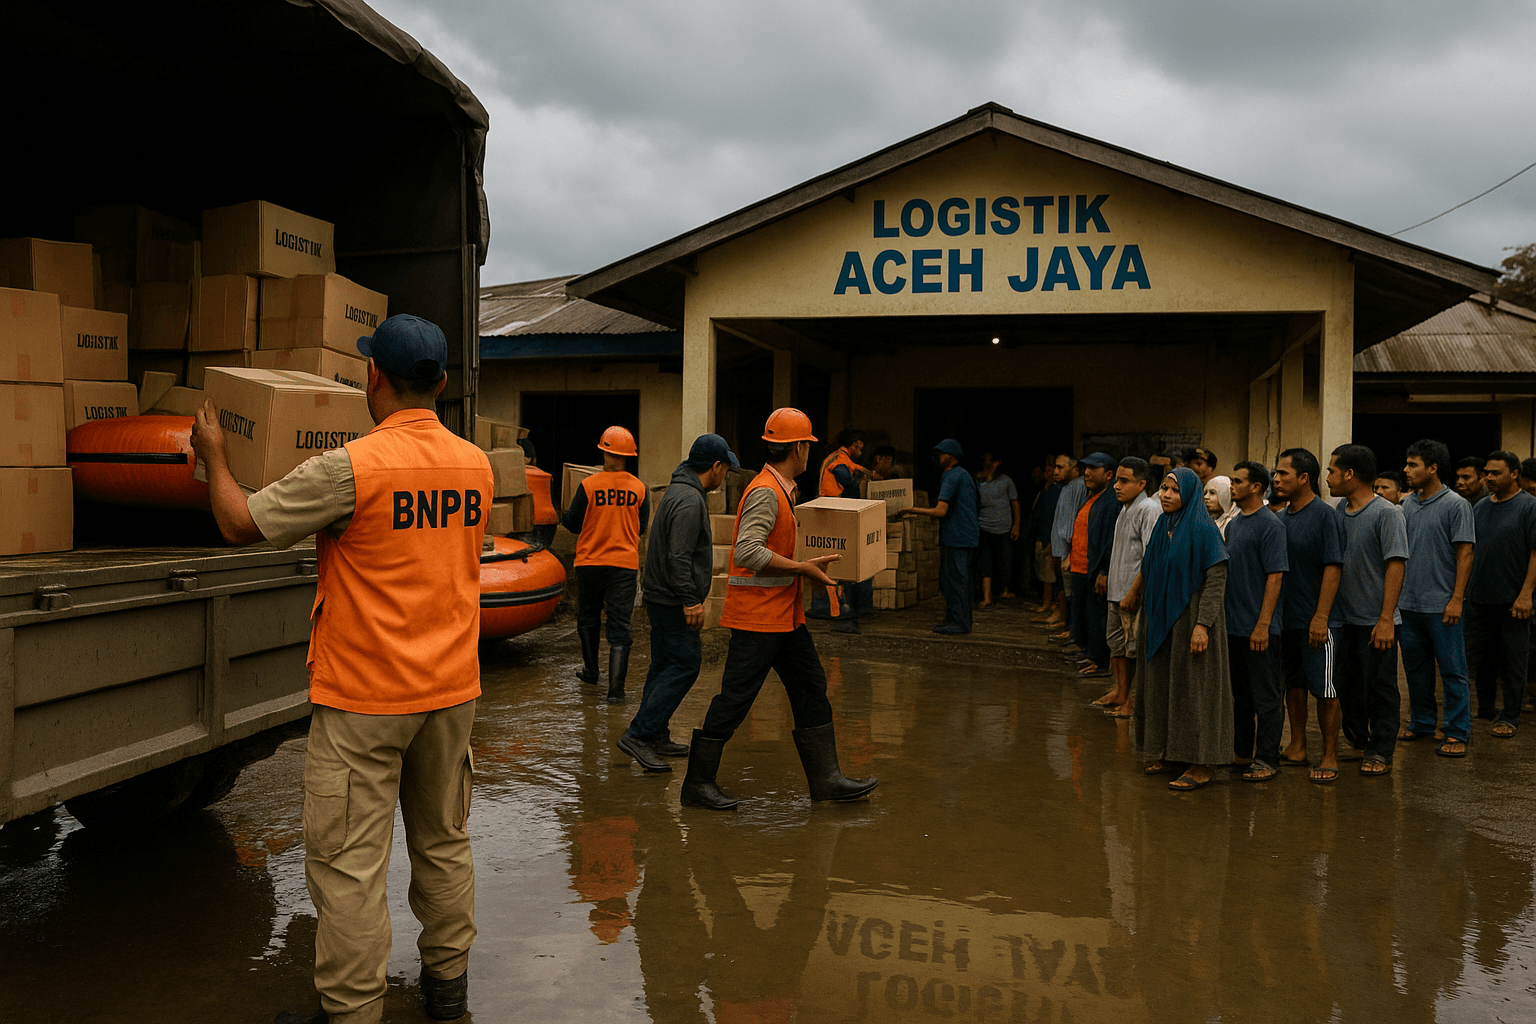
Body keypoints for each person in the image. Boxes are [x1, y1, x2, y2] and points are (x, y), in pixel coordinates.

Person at [191, 314, 492, 1024]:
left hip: (366, 699)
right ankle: (448, 989)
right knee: (444, 843)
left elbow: (239, 524)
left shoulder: (351, 468)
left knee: (350, 864)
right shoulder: (475, 465)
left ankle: (354, 1011)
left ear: (373, 376)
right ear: (441, 384)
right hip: (451, 692)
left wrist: (216, 456)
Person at [681, 408, 877, 810]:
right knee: (735, 700)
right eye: (808, 445)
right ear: (799, 448)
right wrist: (802, 568)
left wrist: (804, 564)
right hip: (758, 620)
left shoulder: (783, 489)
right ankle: (697, 784)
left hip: (784, 618)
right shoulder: (766, 492)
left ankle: (827, 780)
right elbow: (748, 551)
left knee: (812, 688)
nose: (809, 452)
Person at [617, 434, 739, 772]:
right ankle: (640, 734)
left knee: (663, 665)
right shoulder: (689, 500)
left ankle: (656, 733)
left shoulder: (679, 489)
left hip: (661, 596)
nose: (724, 476)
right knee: (686, 663)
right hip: (672, 599)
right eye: (725, 470)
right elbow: (679, 556)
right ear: (716, 467)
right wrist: (690, 600)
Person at [1121, 467, 1232, 791]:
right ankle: (1171, 753)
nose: (1166, 495)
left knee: (1195, 690)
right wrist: (1133, 594)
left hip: (1190, 619)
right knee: (1163, 686)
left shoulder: (1203, 529)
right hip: (1160, 618)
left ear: (1189, 494)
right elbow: (1149, 565)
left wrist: (1203, 625)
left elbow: (1216, 580)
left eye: (1174, 490)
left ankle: (1200, 764)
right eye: (1164, 489)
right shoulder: (1164, 525)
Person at [1326, 444, 1408, 776]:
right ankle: (1360, 741)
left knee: (1380, 688)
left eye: (1332, 470)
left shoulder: (1388, 513)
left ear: (1350, 474)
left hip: (1376, 620)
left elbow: (1396, 565)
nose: (1328, 477)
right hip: (1343, 619)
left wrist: (1386, 618)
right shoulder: (1338, 511)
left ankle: (1381, 750)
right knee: (1347, 686)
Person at [1272, 448, 1347, 784]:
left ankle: (1329, 755)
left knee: (1325, 689)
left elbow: (1333, 567)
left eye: (1283, 474)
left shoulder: (1324, 516)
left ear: (1304, 478)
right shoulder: (1281, 518)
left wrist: (1321, 616)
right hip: (1287, 620)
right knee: (1294, 685)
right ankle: (1297, 745)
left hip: (1318, 621)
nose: (1276, 479)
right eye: (1275, 473)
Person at [1398, 439, 1474, 758]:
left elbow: (1465, 552)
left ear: (1432, 468)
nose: (1406, 470)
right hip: (1409, 605)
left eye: (1413, 464)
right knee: (1416, 671)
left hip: (1442, 605)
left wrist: (1457, 598)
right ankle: (1423, 722)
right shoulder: (1407, 505)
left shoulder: (1456, 505)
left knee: (1453, 671)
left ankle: (1457, 731)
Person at [563, 426, 651, 702]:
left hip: (590, 563)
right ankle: (616, 691)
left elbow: (572, 523)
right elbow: (641, 527)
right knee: (619, 626)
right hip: (623, 566)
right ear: (628, 457)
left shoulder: (588, 486)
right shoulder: (639, 488)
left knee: (588, 617)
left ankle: (591, 672)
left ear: (603, 452)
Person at [1222, 461, 1288, 781]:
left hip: (1260, 629)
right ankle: (1242, 752)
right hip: (1234, 627)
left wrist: (1263, 624)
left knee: (1267, 698)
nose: (1231, 486)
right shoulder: (1234, 524)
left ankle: (1267, 759)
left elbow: (1275, 577)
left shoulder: (1270, 525)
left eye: (1237, 481)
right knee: (1241, 697)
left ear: (1256, 487)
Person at [1465, 450, 1536, 736]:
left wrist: (1526, 594)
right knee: (1482, 659)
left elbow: (1535, 554)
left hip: (1513, 599)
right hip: (1480, 597)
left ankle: (1510, 715)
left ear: (1514, 474)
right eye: (1487, 472)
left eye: (1496, 473)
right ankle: (1485, 709)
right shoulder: (1480, 507)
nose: (1489, 478)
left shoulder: (1529, 506)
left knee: (1513, 660)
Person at [1094, 456, 1161, 716]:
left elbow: (1150, 556)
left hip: (1133, 593)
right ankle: (1121, 691)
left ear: (1141, 484)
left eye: (1124, 481)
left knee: (1134, 649)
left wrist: (1135, 592)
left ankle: (1132, 701)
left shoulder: (1149, 509)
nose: (1116, 486)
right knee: (1117, 644)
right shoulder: (1125, 509)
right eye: (1117, 480)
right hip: (1117, 590)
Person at [905, 439, 980, 634]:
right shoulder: (964, 474)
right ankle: (960, 620)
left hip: (957, 536)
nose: (938, 458)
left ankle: (957, 622)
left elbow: (940, 510)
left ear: (950, 457)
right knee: (962, 581)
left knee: (954, 581)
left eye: (941, 454)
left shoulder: (951, 476)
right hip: (967, 535)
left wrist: (910, 509)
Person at [815, 428, 871, 634]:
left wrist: (871, 474)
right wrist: (857, 498)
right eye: (860, 446)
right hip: (832, 511)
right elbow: (845, 478)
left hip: (834, 510)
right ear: (854, 443)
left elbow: (858, 469)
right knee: (836, 563)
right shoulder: (839, 459)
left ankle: (840, 609)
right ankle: (838, 612)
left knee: (837, 561)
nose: (861, 450)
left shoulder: (843, 458)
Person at [1069, 452, 1118, 676]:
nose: (1086, 473)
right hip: (1083, 567)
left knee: (1099, 616)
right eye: (1085, 468)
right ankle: (1090, 653)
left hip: (1099, 569)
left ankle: (1100, 661)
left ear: (1108, 474)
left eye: (1093, 469)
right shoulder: (1093, 497)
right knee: (1088, 613)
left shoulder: (1111, 501)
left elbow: (1110, 540)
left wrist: (1104, 570)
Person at [1047, 454, 1088, 641]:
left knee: (1073, 593)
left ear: (1075, 469)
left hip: (1071, 550)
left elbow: (1072, 524)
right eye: (1055, 467)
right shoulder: (1065, 488)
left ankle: (1074, 631)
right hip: (1063, 549)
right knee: (1067, 590)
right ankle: (1069, 627)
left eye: (1060, 467)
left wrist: (1069, 552)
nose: (1056, 471)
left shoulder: (1078, 487)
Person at [977, 451, 1021, 607]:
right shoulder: (979, 482)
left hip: (1003, 528)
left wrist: (1016, 525)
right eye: (986, 460)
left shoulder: (1006, 481)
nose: (989, 463)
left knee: (1005, 560)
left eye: (991, 460)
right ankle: (987, 597)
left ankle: (1006, 590)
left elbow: (1015, 503)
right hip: (984, 527)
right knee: (985, 562)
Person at [1030, 454, 1068, 627]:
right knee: (1044, 572)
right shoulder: (1046, 489)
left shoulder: (1059, 491)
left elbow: (1056, 518)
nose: (1048, 470)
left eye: (1053, 467)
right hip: (1042, 536)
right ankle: (1049, 604)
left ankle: (1053, 606)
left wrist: (1052, 542)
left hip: (1052, 539)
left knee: (1052, 575)